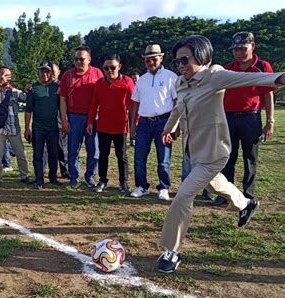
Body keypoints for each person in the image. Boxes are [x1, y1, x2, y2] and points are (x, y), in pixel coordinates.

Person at [158, 35, 284, 273]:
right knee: (215, 185)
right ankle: (246, 203)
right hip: (193, 151)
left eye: (185, 59)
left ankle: (171, 251)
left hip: (214, 152)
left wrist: (278, 78)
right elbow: (178, 108)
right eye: (177, 62)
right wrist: (169, 129)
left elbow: (252, 78)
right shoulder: (181, 83)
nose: (181, 65)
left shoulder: (214, 76)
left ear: (202, 56)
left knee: (183, 196)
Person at [212, 31, 276, 206]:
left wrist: (270, 121)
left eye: (242, 48)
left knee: (250, 158)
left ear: (252, 46)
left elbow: (268, 95)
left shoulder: (262, 67)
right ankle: (226, 195)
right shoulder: (228, 68)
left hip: (251, 118)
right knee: (227, 157)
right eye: (235, 49)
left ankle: (248, 194)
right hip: (228, 118)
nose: (238, 53)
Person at [130, 44, 178, 201]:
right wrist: (132, 125)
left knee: (163, 158)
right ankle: (141, 186)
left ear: (161, 58)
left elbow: (177, 102)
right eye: (147, 60)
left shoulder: (171, 77)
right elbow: (135, 103)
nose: (151, 63)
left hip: (164, 121)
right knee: (139, 156)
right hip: (144, 122)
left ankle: (164, 187)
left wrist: (175, 126)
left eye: (154, 59)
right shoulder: (142, 80)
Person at [87, 54, 135, 193]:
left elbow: (133, 105)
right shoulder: (100, 83)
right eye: (106, 68)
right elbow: (94, 104)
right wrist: (90, 122)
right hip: (103, 126)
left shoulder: (127, 82)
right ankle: (102, 180)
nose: (109, 70)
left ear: (119, 67)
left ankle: (123, 182)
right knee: (103, 155)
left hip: (121, 126)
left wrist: (134, 124)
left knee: (122, 156)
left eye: (112, 67)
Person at [59, 46, 103, 188]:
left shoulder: (98, 73)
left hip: (93, 118)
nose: (78, 61)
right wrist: (64, 120)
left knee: (94, 150)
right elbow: (62, 99)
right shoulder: (67, 75)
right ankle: (74, 177)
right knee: (72, 150)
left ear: (89, 59)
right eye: (76, 59)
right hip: (74, 117)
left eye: (82, 59)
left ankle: (90, 176)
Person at [0, 66, 32, 188]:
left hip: (14, 128)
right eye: (2, 74)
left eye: (7, 75)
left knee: (21, 154)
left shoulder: (14, 91)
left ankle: (24, 176)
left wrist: (28, 89)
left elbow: (27, 99)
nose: (3, 77)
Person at [24, 61, 63, 190]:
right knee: (38, 155)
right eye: (42, 71)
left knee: (53, 154)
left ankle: (53, 177)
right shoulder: (33, 88)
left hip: (53, 127)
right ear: (39, 72)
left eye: (47, 71)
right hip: (38, 127)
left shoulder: (57, 87)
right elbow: (28, 110)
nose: (44, 74)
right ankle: (39, 179)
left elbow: (62, 105)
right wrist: (27, 128)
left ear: (51, 73)